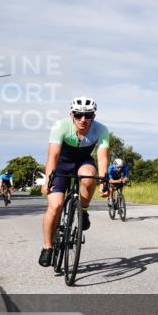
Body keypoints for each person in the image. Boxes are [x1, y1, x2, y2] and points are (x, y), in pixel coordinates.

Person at [38, 96, 111, 267]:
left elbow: (102, 158)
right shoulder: (60, 126)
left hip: (83, 161)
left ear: (94, 115)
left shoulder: (101, 130)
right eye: (79, 115)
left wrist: (104, 182)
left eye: (88, 115)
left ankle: (83, 210)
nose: (83, 119)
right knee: (55, 206)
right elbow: (53, 156)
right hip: (61, 165)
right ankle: (47, 247)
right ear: (72, 115)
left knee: (89, 175)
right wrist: (48, 180)